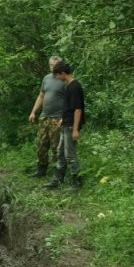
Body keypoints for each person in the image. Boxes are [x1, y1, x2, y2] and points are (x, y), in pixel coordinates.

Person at [44, 61, 86, 190]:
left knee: (70, 155)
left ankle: (76, 181)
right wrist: (63, 118)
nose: (56, 78)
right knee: (60, 152)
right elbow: (68, 107)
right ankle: (58, 179)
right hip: (65, 124)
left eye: (57, 75)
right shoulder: (68, 86)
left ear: (63, 73)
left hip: (70, 127)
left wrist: (75, 130)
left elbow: (78, 109)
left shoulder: (74, 87)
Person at [27, 55, 65, 177]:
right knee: (41, 144)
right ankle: (41, 169)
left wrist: (65, 116)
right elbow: (41, 95)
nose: (53, 67)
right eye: (51, 65)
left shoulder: (64, 79)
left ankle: (58, 172)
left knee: (56, 146)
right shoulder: (46, 78)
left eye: (56, 65)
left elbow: (71, 101)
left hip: (57, 118)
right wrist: (33, 112)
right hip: (45, 117)